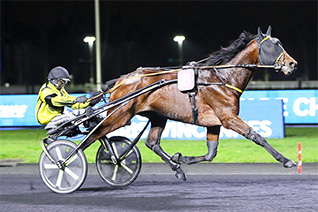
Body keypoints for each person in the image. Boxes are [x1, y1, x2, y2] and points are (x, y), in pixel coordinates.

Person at [35, 66, 102, 133]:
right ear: (53, 80)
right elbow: (55, 100)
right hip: (48, 119)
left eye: (65, 82)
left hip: (58, 116)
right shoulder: (46, 90)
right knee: (73, 115)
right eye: (61, 81)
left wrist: (90, 102)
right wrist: (75, 99)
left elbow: (73, 105)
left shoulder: (61, 90)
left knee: (81, 114)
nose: (63, 84)